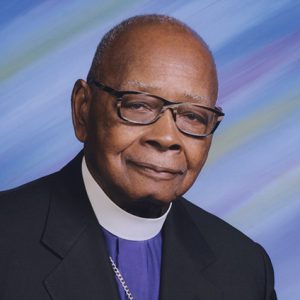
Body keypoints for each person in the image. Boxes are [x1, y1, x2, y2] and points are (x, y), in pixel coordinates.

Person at [0, 14, 277, 300]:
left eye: (193, 116)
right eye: (139, 105)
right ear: (83, 108)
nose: (167, 137)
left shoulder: (245, 269)